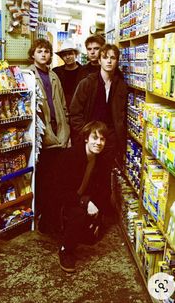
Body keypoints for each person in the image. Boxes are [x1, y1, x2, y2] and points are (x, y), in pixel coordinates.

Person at [69, 43, 128, 215]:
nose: (109, 61)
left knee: (103, 175)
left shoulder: (120, 85)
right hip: (89, 138)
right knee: (85, 174)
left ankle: (100, 214)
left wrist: (117, 139)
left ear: (117, 61)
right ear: (100, 59)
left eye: (113, 58)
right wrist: (85, 134)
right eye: (105, 57)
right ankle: (82, 210)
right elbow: (75, 112)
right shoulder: (87, 83)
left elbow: (120, 115)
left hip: (109, 139)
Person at [26, 38, 70, 232]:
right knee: (42, 178)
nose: (44, 54)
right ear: (33, 54)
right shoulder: (28, 75)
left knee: (57, 179)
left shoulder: (53, 76)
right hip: (41, 135)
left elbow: (62, 104)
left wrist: (66, 128)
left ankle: (52, 218)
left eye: (47, 51)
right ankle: (41, 216)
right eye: (40, 51)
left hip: (58, 131)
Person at [54, 121, 109, 273]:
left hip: (84, 198)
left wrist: (99, 214)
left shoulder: (102, 160)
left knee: (91, 239)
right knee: (78, 214)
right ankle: (66, 250)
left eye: (102, 139)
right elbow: (59, 192)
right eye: (95, 138)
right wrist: (85, 202)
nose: (98, 143)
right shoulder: (69, 156)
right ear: (86, 138)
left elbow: (104, 190)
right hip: (64, 201)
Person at [52, 39, 86, 109]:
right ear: (61, 57)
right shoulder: (56, 72)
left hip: (81, 109)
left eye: (70, 54)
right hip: (62, 108)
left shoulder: (85, 71)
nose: (67, 57)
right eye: (64, 55)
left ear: (75, 54)